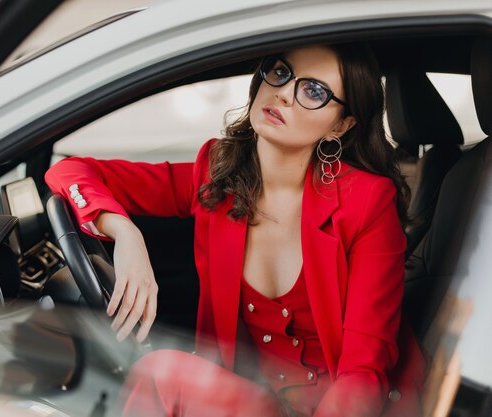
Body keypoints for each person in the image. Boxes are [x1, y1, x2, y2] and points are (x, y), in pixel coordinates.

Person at [45, 43, 427, 417]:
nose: (283, 94)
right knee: (163, 372)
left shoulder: (367, 201)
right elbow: (70, 173)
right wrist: (126, 233)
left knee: (162, 371)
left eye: (313, 90)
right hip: (260, 402)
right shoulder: (216, 176)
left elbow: (362, 376)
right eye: (280, 71)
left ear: (341, 126)